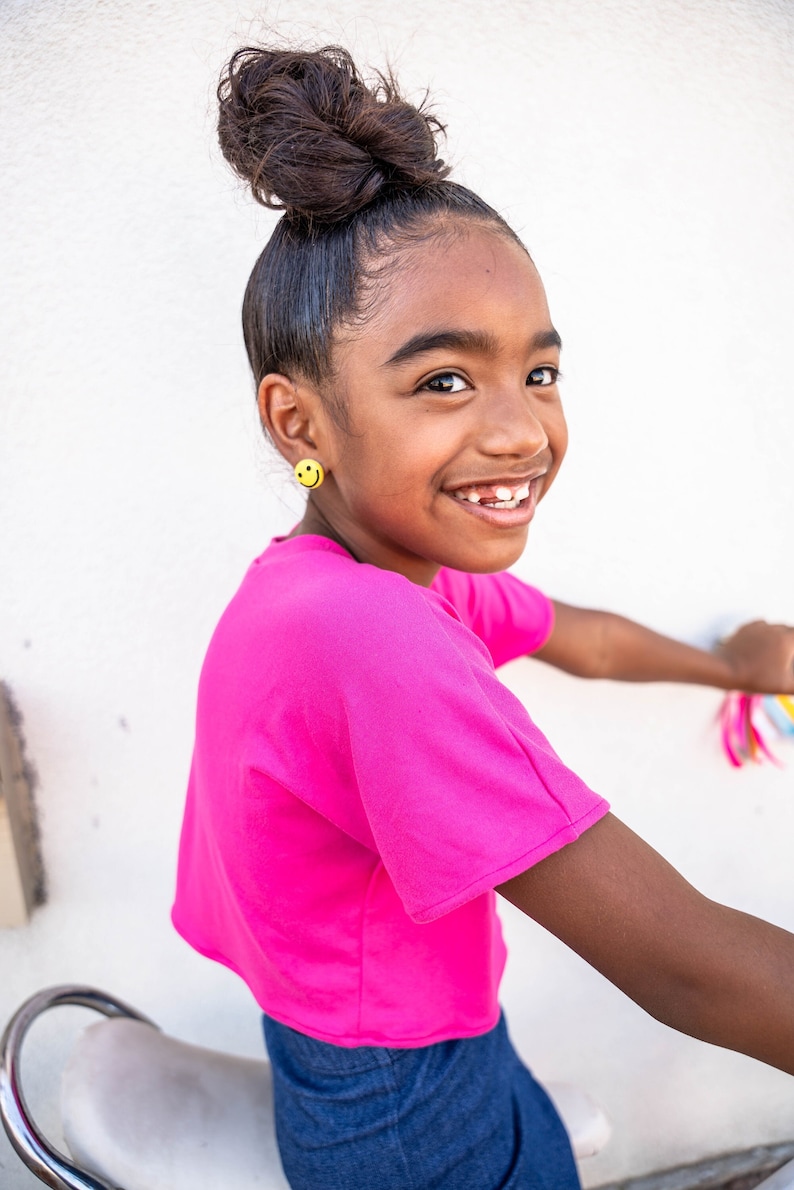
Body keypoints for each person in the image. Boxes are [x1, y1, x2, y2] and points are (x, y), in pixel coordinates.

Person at [172, 44, 794, 1190]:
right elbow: (686, 963)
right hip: (406, 1117)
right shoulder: (376, 642)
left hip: (365, 1037)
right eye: (444, 381)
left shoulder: (357, 571)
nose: (519, 431)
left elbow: (582, 637)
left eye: (538, 373)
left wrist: (732, 663)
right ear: (299, 424)